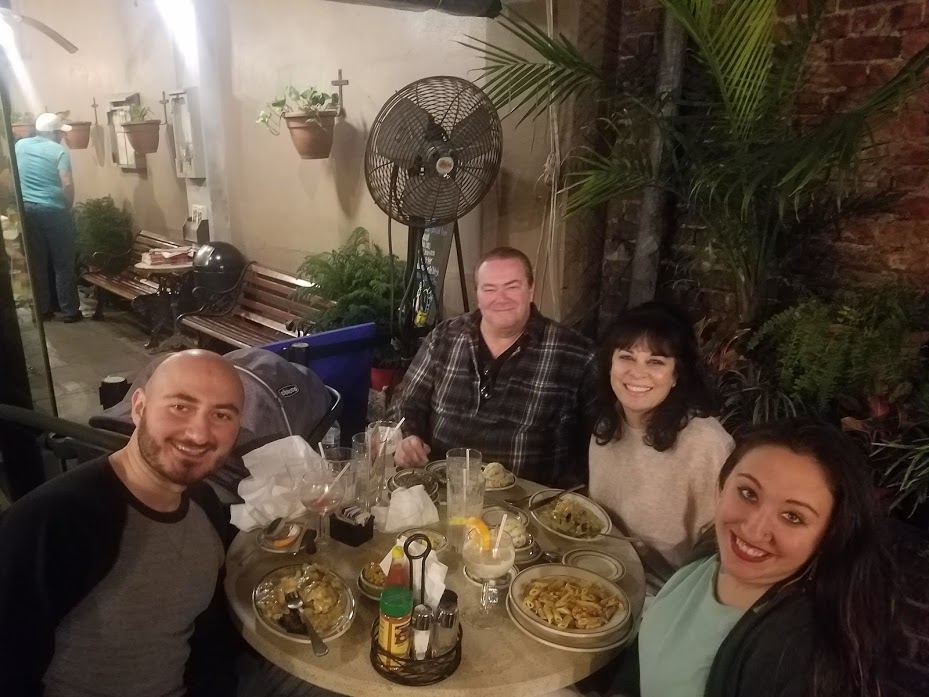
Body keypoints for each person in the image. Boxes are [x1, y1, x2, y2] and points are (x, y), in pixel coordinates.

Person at [0, 349, 245, 697]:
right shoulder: (53, 524)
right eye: (181, 406)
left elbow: (209, 641)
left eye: (221, 415)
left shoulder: (205, 504)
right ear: (139, 407)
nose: (199, 434)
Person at [612, 419, 895, 697]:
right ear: (723, 485)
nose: (753, 529)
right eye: (748, 493)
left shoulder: (798, 657)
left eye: (792, 516)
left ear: (829, 536)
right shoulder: (710, 551)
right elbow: (648, 656)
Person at [390, 246, 597, 486]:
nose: (501, 298)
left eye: (512, 287)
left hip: (524, 508)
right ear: (477, 294)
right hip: (441, 491)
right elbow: (406, 401)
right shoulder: (444, 337)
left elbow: (598, 441)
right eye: (489, 289)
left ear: (531, 290)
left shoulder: (576, 354)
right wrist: (407, 438)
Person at [589, 302, 733, 576]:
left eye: (655, 362)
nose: (637, 373)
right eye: (626, 357)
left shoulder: (706, 444)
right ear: (609, 364)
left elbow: (719, 552)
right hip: (599, 571)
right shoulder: (608, 422)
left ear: (676, 375)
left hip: (664, 593)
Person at [15, 112, 82, 322]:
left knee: (37, 261)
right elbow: (67, 182)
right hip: (53, 210)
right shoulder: (58, 150)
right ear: (53, 133)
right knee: (63, 262)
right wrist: (67, 206)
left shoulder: (20, 146)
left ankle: (43, 309)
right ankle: (69, 310)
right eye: (61, 132)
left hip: (27, 209)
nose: (62, 136)